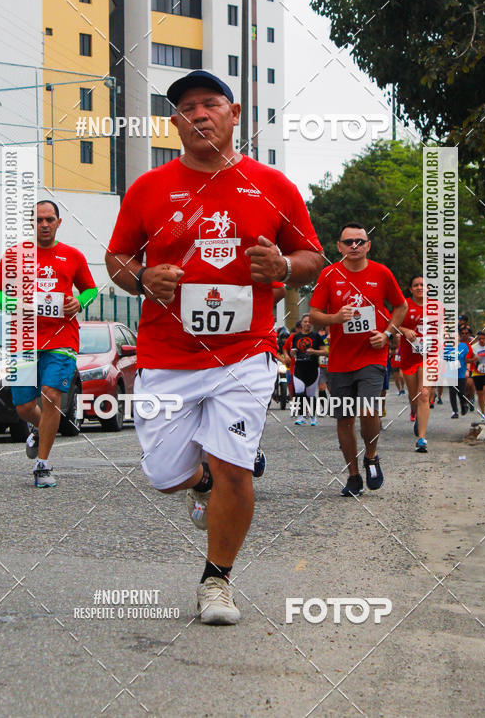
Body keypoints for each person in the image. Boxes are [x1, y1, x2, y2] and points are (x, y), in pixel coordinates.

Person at [105, 69, 324, 625]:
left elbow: (311, 259)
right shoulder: (148, 189)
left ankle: (217, 581)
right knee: (162, 475)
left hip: (244, 353)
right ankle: (197, 481)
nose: (198, 114)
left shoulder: (273, 186)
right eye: (186, 109)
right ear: (174, 123)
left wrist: (282, 265)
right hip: (166, 354)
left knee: (235, 469)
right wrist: (141, 279)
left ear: (234, 113)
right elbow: (118, 261)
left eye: (209, 104)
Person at [0, 200, 97, 487]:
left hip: (62, 338)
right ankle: (38, 430)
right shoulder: (15, 256)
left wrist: (79, 302)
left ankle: (43, 465)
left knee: (51, 395)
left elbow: (90, 289)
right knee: (24, 406)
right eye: (38, 220)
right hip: (24, 339)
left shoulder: (72, 256)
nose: (44, 224)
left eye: (49, 219)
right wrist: (15, 304)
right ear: (31, 224)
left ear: (58, 222)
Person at [309, 222, 407, 496]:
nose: (354, 246)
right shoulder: (329, 274)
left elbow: (401, 306)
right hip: (340, 360)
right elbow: (314, 313)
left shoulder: (381, 273)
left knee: (369, 409)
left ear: (368, 246)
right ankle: (353, 475)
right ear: (339, 247)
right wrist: (335, 318)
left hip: (372, 355)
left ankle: (372, 457)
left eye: (360, 241)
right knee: (344, 419)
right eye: (348, 242)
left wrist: (387, 334)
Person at [397, 275, 440, 453]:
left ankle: (422, 438)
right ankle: (416, 414)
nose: (420, 287)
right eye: (416, 285)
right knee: (414, 396)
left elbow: (443, 328)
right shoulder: (404, 305)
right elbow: (393, 325)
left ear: (428, 288)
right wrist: (405, 330)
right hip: (410, 358)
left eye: (423, 285)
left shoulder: (436, 307)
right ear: (411, 289)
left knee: (424, 395)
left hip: (430, 356)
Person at [289, 313, 326, 426]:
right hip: (299, 367)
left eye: (309, 322)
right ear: (301, 323)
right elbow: (291, 351)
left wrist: (314, 352)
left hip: (312, 368)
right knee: (299, 392)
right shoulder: (296, 336)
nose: (307, 324)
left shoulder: (316, 336)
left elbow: (325, 351)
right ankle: (301, 416)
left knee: (310, 395)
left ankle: (312, 416)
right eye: (305, 322)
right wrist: (292, 352)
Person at [444, 327, 473, 419]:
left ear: (459, 337)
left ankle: (464, 406)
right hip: (450, 373)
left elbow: (468, 359)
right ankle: (454, 411)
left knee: (461, 392)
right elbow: (444, 359)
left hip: (461, 373)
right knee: (452, 392)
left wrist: (467, 370)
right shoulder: (447, 347)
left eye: (456, 336)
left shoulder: (464, 346)